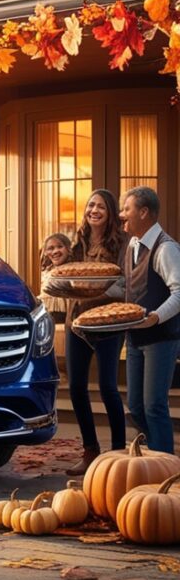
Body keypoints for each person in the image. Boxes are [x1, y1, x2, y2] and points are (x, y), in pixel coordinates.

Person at [60, 190, 129, 475]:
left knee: (108, 388)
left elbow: (125, 282)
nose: (94, 210)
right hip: (76, 322)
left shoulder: (122, 243)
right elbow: (65, 275)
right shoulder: (79, 242)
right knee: (76, 388)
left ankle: (118, 452)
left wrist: (99, 288)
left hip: (107, 323)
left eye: (100, 206)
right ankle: (90, 450)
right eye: (90, 205)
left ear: (110, 212)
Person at [119, 186, 180, 454]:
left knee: (154, 405)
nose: (122, 215)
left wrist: (156, 317)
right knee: (136, 406)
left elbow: (179, 292)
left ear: (144, 212)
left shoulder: (166, 248)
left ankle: (166, 467)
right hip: (135, 338)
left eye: (127, 209)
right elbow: (127, 287)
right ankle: (152, 457)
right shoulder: (132, 245)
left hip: (160, 338)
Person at [38, 232, 72, 323]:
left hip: (67, 319)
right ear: (45, 252)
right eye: (50, 248)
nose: (55, 251)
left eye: (60, 247)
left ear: (68, 249)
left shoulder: (73, 271)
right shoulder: (44, 273)